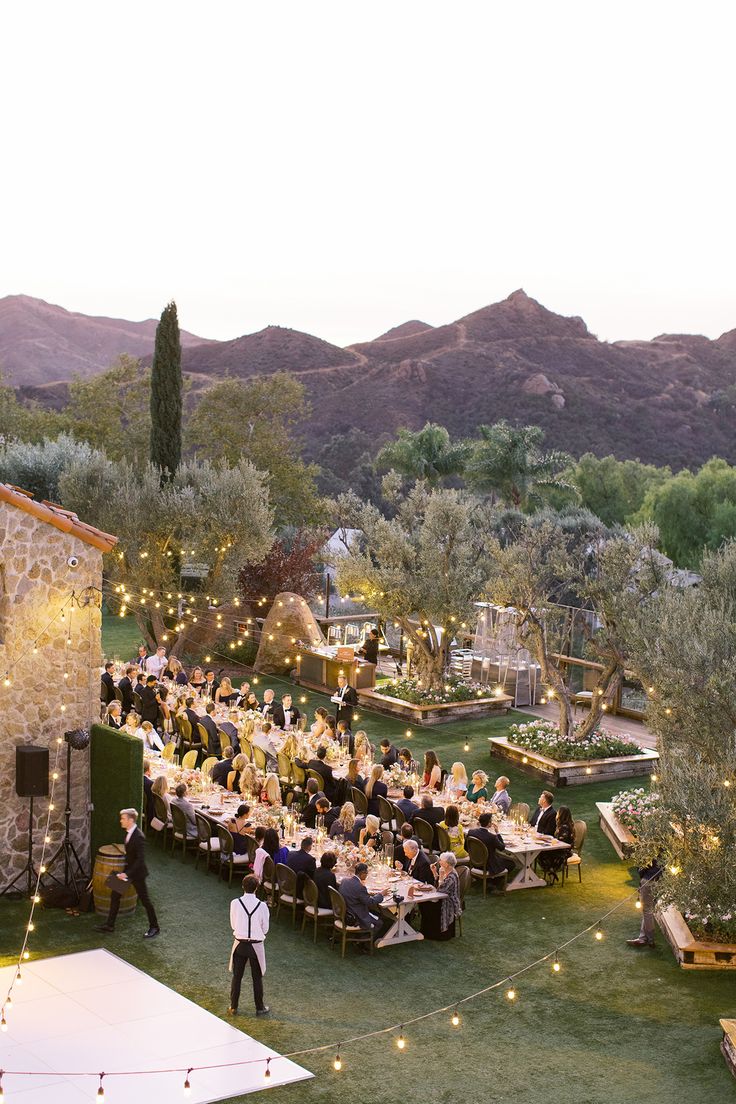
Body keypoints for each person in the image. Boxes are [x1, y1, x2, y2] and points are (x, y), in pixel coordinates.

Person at [96, 808, 160, 938]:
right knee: (115, 895)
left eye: (123, 819)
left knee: (145, 900)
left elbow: (140, 860)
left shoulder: (139, 837)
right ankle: (110, 925)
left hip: (137, 874)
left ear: (130, 820)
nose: (121, 821)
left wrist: (127, 874)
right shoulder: (128, 833)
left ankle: (154, 927)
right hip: (128, 871)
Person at [228, 873, 270, 1016]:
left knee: (237, 977)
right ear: (257, 888)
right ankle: (260, 1008)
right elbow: (265, 929)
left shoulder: (235, 903)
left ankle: (233, 1006)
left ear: (242, 887)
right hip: (256, 947)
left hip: (239, 944)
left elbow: (233, 925)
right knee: (257, 978)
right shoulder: (262, 906)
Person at [421, 853, 461, 941]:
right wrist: (435, 873)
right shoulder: (446, 871)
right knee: (424, 903)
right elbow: (439, 887)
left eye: (441, 861)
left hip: (448, 902)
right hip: (442, 897)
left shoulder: (452, 876)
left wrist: (440, 878)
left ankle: (432, 933)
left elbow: (441, 890)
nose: (439, 862)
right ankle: (427, 930)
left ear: (446, 864)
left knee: (426, 904)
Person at [627, 856, 664, 949]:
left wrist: (640, 873)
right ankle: (643, 938)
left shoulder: (651, 846)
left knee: (647, 910)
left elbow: (642, 867)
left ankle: (650, 940)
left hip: (649, 880)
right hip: (660, 881)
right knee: (649, 909)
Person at [339, 862, 385, 934]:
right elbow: (370, 902)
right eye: (366, 873)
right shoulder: (360, 887)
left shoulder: (344, 881)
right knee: (380, 923)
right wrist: (381, 894)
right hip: (356, 916)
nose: (367, 875)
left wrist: (367, 894)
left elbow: (357, 894)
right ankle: (364, 939)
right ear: (363, 873)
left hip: (345, 911)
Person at [466, 812, 516, 878]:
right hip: (488, 865)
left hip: (474, 862)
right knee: (511, 863)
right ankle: (495, 881)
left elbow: (466, 848)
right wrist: (497, 832)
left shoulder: (471, 832)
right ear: (489, 823)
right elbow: (502, 847)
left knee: (498, 856)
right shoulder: (492, 837)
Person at [539, 805, 575, 881]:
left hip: (564, 851)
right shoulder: (563, 825)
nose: (557, 814)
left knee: (542, 853)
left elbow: (561, 841)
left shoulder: (564, 827)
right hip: (560, 848)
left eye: (558, 813)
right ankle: (551, 872)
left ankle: (551, 871)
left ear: (561, 815)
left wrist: (550, 840)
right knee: (541, 852)